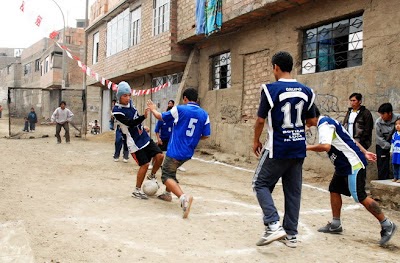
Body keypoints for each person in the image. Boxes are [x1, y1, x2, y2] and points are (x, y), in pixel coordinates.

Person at [306, 106, 397, 246]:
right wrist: (365, 152)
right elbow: (350, 139)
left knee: (360, 196)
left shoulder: (324, 124)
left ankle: (387, 224)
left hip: (352, 164)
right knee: (334, 189)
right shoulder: (329, 122)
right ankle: (336, 223)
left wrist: (304, 147)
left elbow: (325, 147)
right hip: (343, 164)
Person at [252, 51, 316, 248]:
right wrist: (296, 130)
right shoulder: (307, 91)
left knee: (259, 183)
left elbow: (261, 120)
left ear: (275, 67)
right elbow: (312, 121)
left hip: (277, 147)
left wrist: (255, 140)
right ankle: (291, 235)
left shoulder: (270, 89)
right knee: (293, 192)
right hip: (298, 147)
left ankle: (273, 224)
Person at [147, 87, 211, 219]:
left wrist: (152, 108)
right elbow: (206, 135)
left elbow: (160, 116)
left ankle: (183, 198)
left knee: (166, 176)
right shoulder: (204, 114)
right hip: (188, 152)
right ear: (197, 99)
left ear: (185, 99)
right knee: (172, 171)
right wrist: (192, 138)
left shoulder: (180, 109)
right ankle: (167, 194)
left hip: (176, 150)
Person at [112, 81, 164, 199]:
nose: (128, 98)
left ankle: (152, 176)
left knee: (160, 156)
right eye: (124, 95)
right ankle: (137, 190)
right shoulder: (117, 111)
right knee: (145, 164)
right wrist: (144, 117)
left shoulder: (130, 103)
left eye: (129, 95)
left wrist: (142, 126)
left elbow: (135, 117)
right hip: (134, 142)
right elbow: (130, 123)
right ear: (119, 96)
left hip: (143, 136)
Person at [149, 100, 187, 172]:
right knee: (157, 152)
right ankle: (152, 164)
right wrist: (158, 138)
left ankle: (178, 165)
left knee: (176, 153)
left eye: (171, 104)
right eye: (169, 104)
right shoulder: (162, 118)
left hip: (172, 139)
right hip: (163, 139)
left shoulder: (175, 119)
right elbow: (157, 130)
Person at [376, 103, 400, 180]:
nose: (382, 116)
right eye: (380, 114)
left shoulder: (398, 118)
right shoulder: (378, 122)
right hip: (383, 144)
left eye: (383, 114)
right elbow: (379, 138)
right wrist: (390, 147)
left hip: (397, 143)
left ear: (390, 113)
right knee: (383, 165)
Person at [390, 118, 400, 182]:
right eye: (396, 124)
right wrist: (391, 151)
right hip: (395, 153)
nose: (397, 125)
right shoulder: (394, 135)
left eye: (399, 124)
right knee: (395, 165)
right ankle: (395, 177)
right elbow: (392, 143)